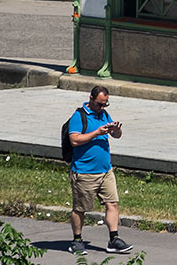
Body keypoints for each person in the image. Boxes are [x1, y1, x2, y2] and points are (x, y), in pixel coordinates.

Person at [65, 86, 132, 255]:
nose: (101, 107)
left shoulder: (104, 114)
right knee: (80, 208)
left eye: (105, 104)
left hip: (105, 170)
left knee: (113, 203)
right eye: (99, 104)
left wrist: (116, 131)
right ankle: (77, 240)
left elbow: (116, 135)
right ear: (91, 98)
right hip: (85, 172)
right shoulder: (79, 116)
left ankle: (114, 239)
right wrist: (96, 133)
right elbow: (74, 140)